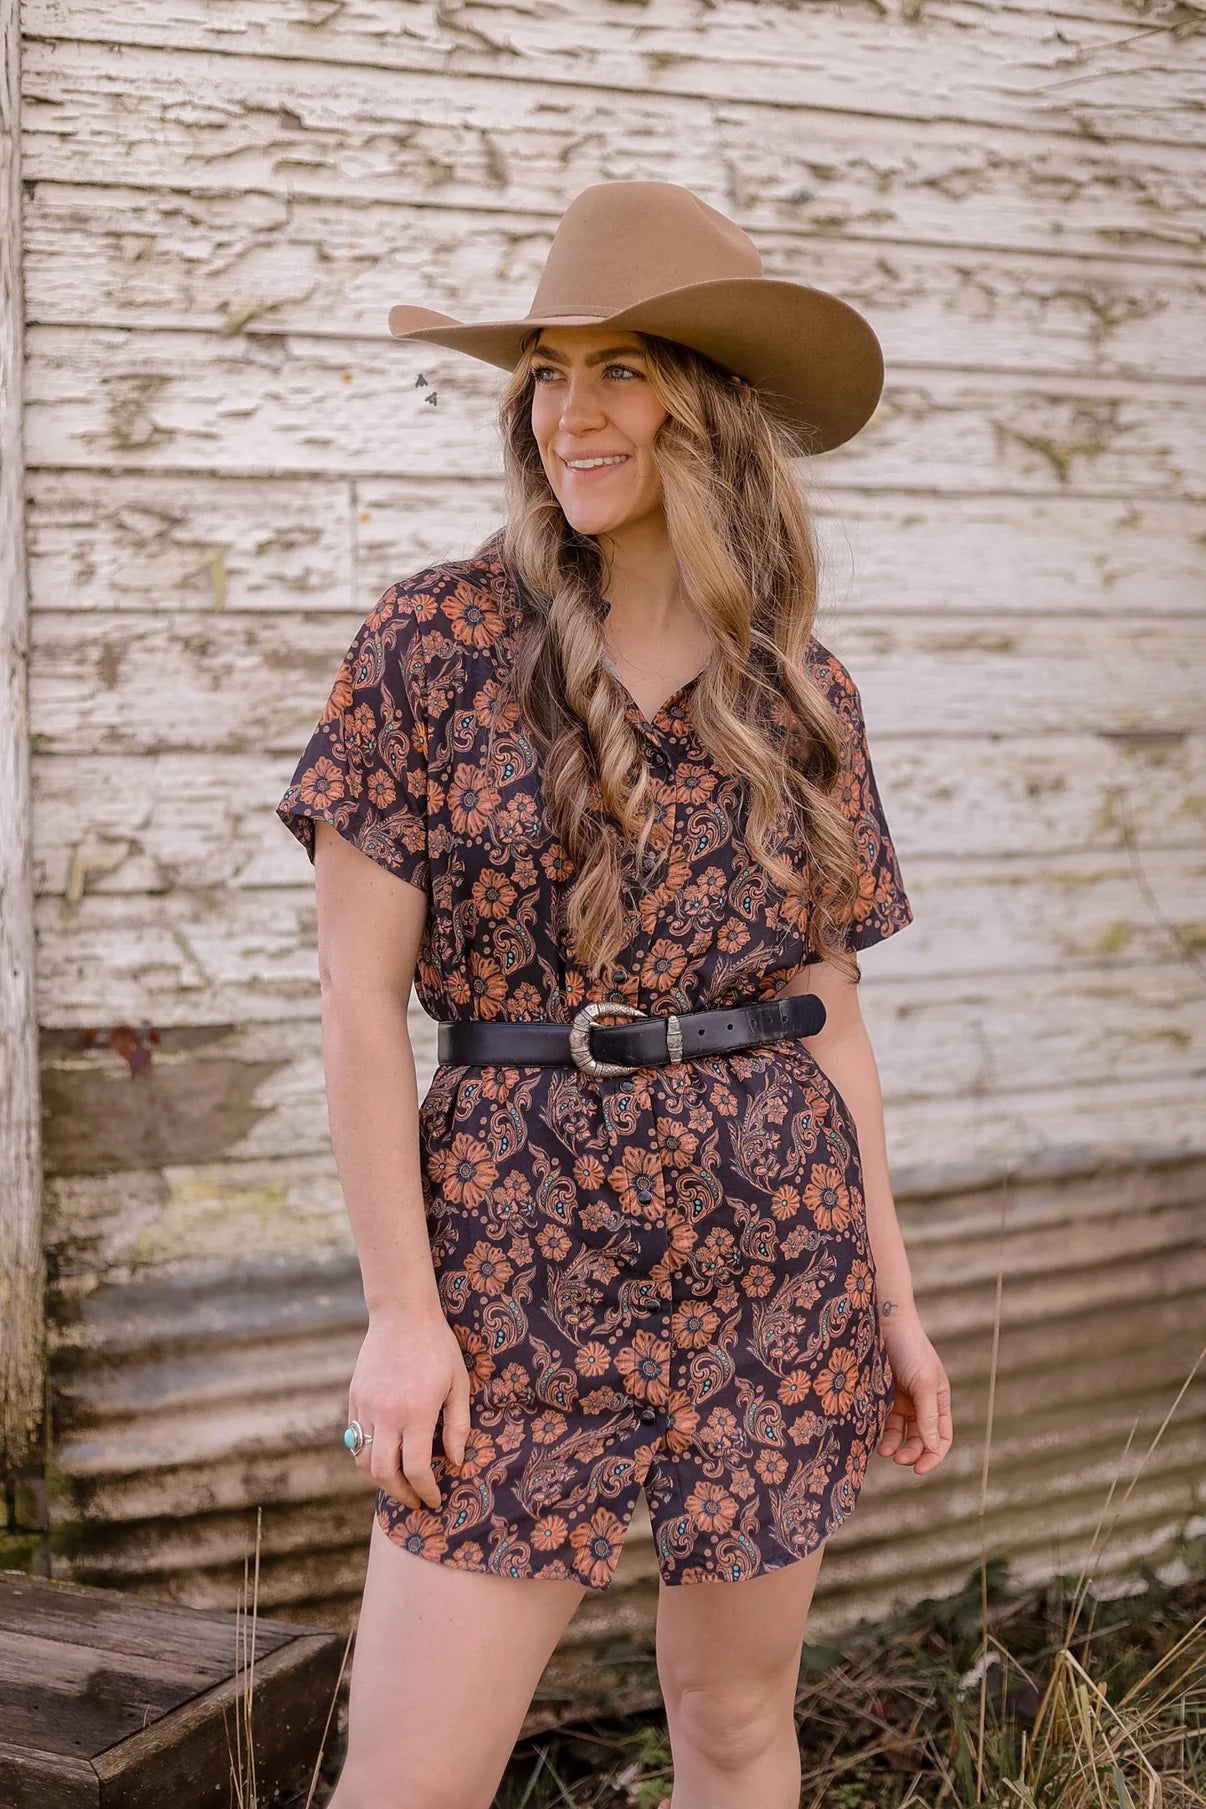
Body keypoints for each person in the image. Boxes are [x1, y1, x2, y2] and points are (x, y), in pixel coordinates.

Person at [276, 180, 954, 1809]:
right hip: (510, 1260)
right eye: (549, 373)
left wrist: (896, 1298)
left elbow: (830, 1023)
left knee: (731, 1724)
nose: (571, 412)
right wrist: (398, 1313)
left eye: (621, 369)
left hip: (776, 1252)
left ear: (708, 409)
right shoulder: (433, 643)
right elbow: (359, 1004)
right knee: (410, 1779)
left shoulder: (803, 694)